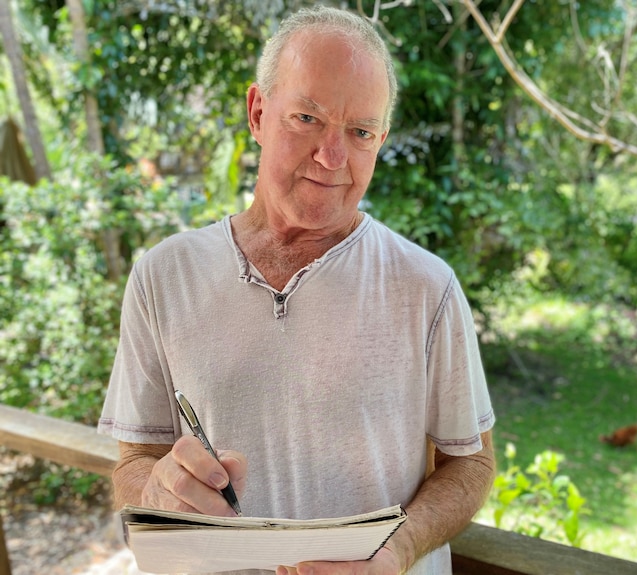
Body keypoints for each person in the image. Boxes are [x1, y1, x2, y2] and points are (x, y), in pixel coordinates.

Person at [97, 5, 496, 575]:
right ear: (258, 112)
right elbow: (134, 460)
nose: (332, 157)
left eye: (360, 132)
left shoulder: (427, 287)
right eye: (307, 118)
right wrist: (156, 491)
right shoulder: (164, 275)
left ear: (380, 140)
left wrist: (400, 551)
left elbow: (472, 464)